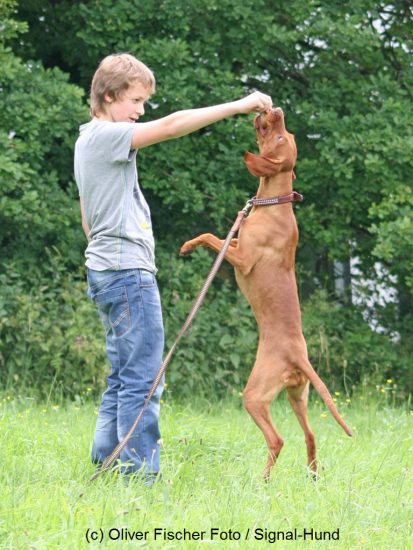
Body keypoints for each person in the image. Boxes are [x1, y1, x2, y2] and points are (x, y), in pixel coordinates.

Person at [74, 52, 272, 481]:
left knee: (124, 375)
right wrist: (239, 105)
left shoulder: (85, 140)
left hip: (106, 271)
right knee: (145, 380)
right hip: (127, 275)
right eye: (136, 101)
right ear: (109, 97)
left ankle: (106, 459)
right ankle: (138, 477)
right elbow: (170, 126)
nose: (141, 112)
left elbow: (88, 217)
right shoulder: (108, 136)